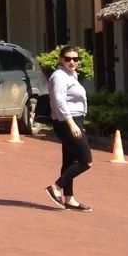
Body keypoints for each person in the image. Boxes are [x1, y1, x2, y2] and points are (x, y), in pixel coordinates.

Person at [45, 46, 92, 211]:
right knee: (86, 160)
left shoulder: (71, 75)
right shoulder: (59, 76)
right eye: (67, 58)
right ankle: (56, 186)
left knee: (70, 160)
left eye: (75, 59)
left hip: (75, 119)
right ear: (60, 59)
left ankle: (69, 198)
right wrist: (71, 123)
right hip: (66, 121)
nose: (72, 62)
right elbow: (59, 100)